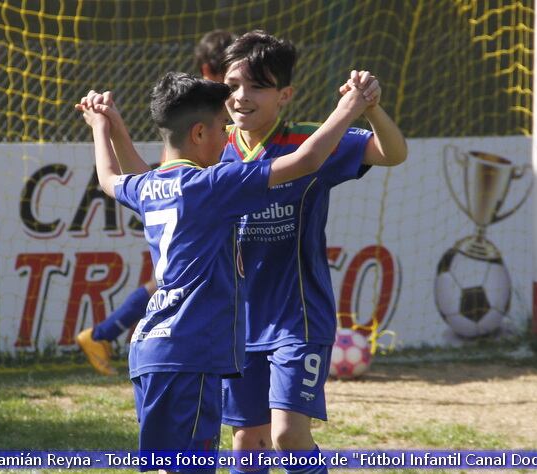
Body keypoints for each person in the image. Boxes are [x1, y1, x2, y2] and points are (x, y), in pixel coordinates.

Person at [76, 71, 370, 465]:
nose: (227, 136)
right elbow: (307, 159)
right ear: (199, 134)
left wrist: (104, 126)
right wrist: (350, 107)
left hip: (149, 351)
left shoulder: (148, 187)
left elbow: (111, 178)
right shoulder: (213, 184)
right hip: (192, 351)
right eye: (221, 127)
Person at [217, 31, 406, 474]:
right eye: (232, 86)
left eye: (257, 87)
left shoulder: (312, 141)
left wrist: (372, 108)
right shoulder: (212, 146)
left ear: (285, 95)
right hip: (236, 323)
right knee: (247, 441)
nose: (241, 97)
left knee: (286, 435)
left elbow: (392, 153)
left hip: (297, 318)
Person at [75, 30, 238, 376]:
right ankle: (102, 333)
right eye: (232, 70)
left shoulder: (198, 134)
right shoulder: (202, 157)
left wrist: (106, 128)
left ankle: (103, 333)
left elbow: (119, 180)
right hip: (192, 347)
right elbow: (301, 163)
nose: (239, 87)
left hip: (157, 353)